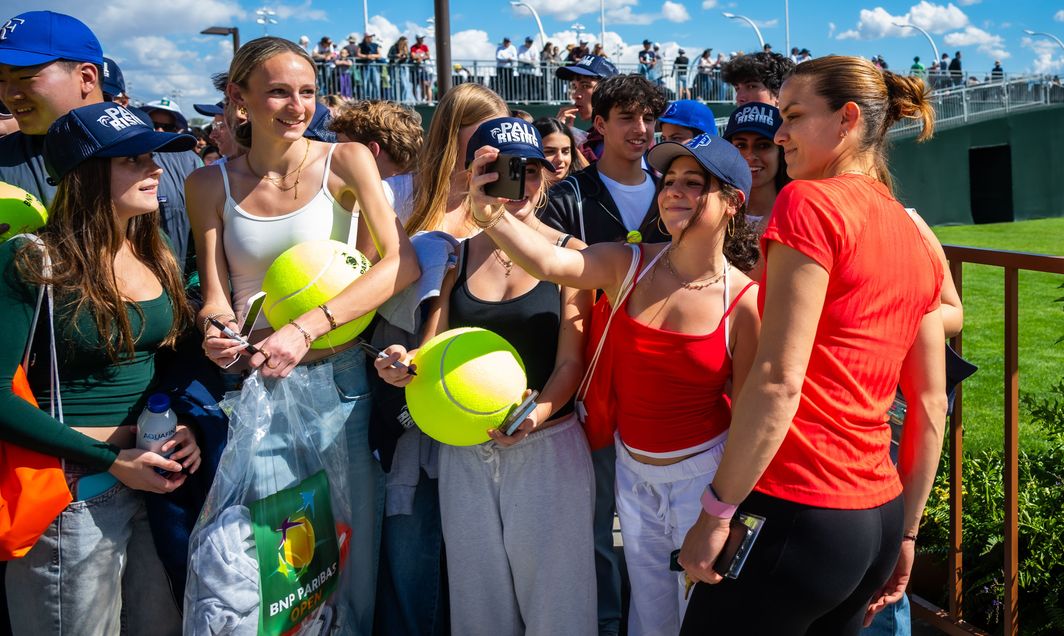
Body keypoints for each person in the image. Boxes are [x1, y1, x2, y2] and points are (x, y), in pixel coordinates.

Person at [677, 55, 947, 635]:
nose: (779, 135)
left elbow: (777, 379)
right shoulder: (914, 231)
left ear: (847, 120)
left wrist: (716, 513)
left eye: (794, 116)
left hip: (799, 506)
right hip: (874, 518)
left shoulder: (809, 203)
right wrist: (906, 532)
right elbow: (929, 404)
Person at [466, 130, 760, 635]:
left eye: (694, 183)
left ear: (732, 202)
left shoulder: (746, 302)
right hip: (632, 470)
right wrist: (488, 214)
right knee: (648, 615)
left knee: (702, 615)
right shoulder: (628, 263)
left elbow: (755, 417)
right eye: (669, 181)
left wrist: (723, 510)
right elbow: (550, 262)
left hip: (702, 479)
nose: (674, 192)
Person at [185, 36, 419, 634]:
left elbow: (400, 264)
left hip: (342, 387)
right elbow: (215, 294)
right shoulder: (207, 183)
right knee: (285, 564)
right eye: (279, 92)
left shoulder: (346, 160)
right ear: (239, 98)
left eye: (308, 92)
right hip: (259, 391)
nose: (297, 107)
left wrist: (304, 327)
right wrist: (216, 331)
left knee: (353, 555)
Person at [379, 117, 597, 635]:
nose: (516, 181)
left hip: (547, 449)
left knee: (558, 608)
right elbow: (433, 352)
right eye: (497, 168)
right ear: (471, 173)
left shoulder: (573, 256)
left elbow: (572, 363)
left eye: (529, 169)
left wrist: (535, 414)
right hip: (466, 453)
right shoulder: (455, 255)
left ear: (546, 176)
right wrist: (401, 364)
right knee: (480, 611)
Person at [1, 101, 203, 634]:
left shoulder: (152, 249)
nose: (155, 169)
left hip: (151, 486)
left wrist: (182, 426)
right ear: (86, 175)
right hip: (68, 494)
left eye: (153, 157)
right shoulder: (32, 261)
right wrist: (110, 458)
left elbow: (161, 362)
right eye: (133, 160)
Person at [373, 82, 509, 636]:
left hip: (478, 391)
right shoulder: (395, 195)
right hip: (403, 387)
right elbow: (367, 284)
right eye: (481, 136)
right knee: (414, 533)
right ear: (451, 136)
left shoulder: (503, 199)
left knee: (476, 552)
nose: (492, 149)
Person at [721, 101, 789, 277]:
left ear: (781, 151)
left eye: (763, 145)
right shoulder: (715, 212)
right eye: (741, 146)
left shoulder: (796, 216)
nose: (750, 156)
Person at [329, 100, 423, 223]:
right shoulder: (428, 192)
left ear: (372, 150)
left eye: (343, 146)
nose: (335, 154)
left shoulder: (376, 199)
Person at [553, 54, 619, 163]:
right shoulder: (592, 135)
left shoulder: (623, 134)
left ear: (608, 91)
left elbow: (598, 177)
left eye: (585, 86)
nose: (576, 95)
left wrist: (569, 140)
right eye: (575, 87)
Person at [720, 51, 796, 106]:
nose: (739, 98)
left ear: (779, 94)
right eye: (737, 89)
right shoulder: (735, 126)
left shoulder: (801, 127)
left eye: (751, 86)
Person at [534, 116, 589, 183]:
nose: (560, 159)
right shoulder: (520, 191)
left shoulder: (582, 189)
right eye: (550, 151)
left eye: (565, 151)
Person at [387, 36, 414, 103]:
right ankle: (395, 101)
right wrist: (396, 55)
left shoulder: (406, 48)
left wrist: (405, 56)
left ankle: (403, 101)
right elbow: (389, 55)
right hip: (394, 68)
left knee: (404, 85)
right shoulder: (393, 47)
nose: (406, 44)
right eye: (405, 42)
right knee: (394, 84)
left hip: (403, 68)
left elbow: (409, 56)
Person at [357, 33, 383, 100]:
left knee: (376, 83)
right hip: (365, 66)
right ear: (365, 37)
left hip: (374, 66)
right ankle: (366, 99)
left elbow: (380, 55)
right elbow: (358, 54)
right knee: (365, 83)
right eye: (369, 37)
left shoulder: (375, 45)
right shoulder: (361, 45)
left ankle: (377, 99)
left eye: (371, 37)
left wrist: (372, 56)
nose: (370, 38)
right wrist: (366, 56)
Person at [411, 35, 433, 102]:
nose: (422, 40)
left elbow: (428, 55)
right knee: (418, 85)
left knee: (426, 84)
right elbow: (413, 56)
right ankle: (419, 100)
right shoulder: (413, 47)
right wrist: (421, 57)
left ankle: (428, 100)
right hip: (417, 70)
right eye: (421, 39)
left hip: (425, 70)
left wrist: (420, 57)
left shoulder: (425, 46)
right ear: (417, 39)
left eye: (422, 39)